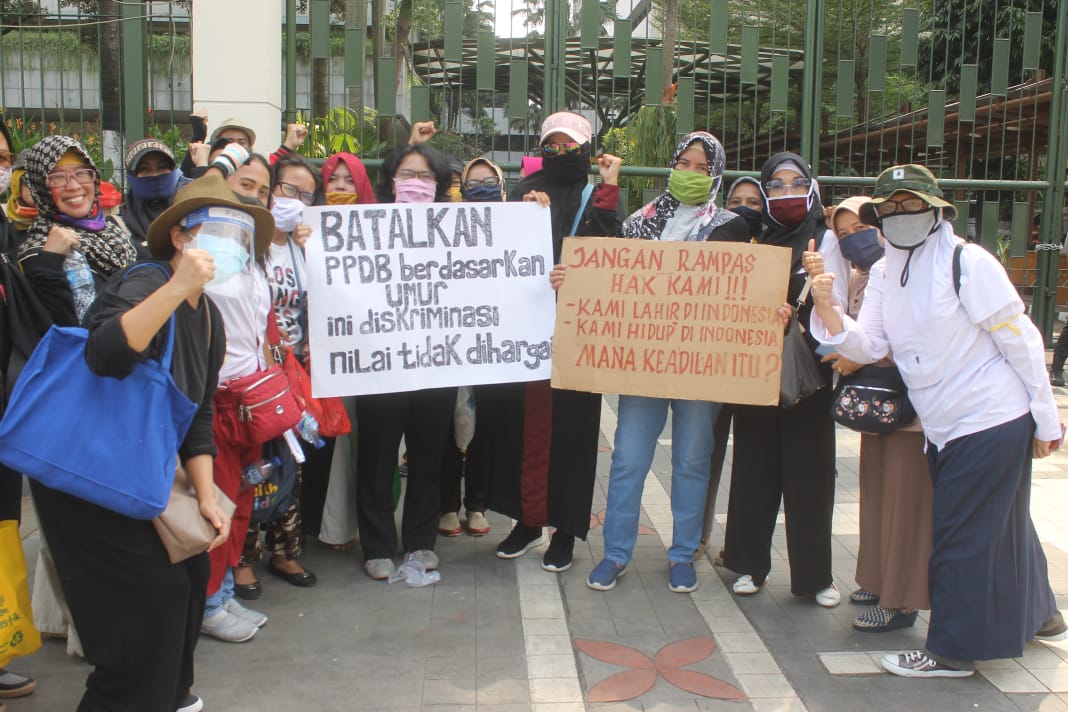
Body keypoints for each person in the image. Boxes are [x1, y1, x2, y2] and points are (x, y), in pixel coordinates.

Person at [810, 163, 1066, 677]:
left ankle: (950, 651)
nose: (902, 216)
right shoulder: (884, 272)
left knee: (959, 535)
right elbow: (872, 344)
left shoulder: (966, 262)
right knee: (1000, 525)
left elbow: (1020, 337)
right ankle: (1042, 616)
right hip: (945, 425)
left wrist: (1047, 421)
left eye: (913, 205)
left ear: (937, 209)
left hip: (990, 417)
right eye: (892, 208)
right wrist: (829, 308)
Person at [28, 174, 242, 712]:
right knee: (142, 620)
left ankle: (172, 698)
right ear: (181, 238)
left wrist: (207, 497)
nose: (232, 247)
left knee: (190, 578)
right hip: (87, 476)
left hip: (139, 472)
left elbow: (197, 411)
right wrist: (176, 288)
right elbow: (104, 353)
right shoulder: (146, 283)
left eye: (241, 236)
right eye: (219, 232)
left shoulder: (210, 319)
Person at [572, 132, 753, 593]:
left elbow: (738, 296)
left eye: (700, 167)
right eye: (683, 164)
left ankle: (682, 554)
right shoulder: (640, 222)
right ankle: (615, 554)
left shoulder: (730, 226)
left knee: (693, 460)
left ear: (715, 173)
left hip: (700, 365)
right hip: (644, 364)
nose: (689, 174)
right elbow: (608, 269)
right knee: (629, 459)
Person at [487, 111, 623, 573]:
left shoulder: (597, 194)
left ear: (586, 148)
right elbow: (503, 255)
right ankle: (527, 521)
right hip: (526, 333)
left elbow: (609, 257)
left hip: (577, 335)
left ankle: (565, 530)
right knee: (522, 429)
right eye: (552, 145)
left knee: (574, 433)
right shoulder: (528, 192)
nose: (561, 153)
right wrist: (526, 210)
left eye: (570, 145)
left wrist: (608, 187)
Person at [804, 195, 933, 632]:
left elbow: (913, 335)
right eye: (843, 236)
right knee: (877, 493)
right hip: (877, 407)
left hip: (913, 410)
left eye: (861, 228)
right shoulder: (870, 276)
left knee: (905, 502)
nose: (853, 240)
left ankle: (902, 601)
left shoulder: (924, 270)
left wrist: (857, 357)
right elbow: (859, 333)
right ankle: (877, 580)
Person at [721, 152, 842, 607]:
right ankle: (750, 565)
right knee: (754, 469)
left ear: (812, 188)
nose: (785, 193)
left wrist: (802, 313)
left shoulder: (827, 240)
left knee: (809, 475)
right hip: (755, 371)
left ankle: (816, 577)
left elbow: (845, 304)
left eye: (795, 183)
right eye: (776, 185)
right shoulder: (754, 239)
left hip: (807, 374)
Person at [357, 142, 457, 581]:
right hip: (382, 363)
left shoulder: (459, 228)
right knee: (377, 454)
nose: (415, 184)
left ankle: (420, 542)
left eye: (425, 177)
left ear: (439, 186)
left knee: (428, 454)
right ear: (391, 180)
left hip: (437, 363)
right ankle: (377, 544)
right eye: (407, 174)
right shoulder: (364, 227)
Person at [198, 169, 278, 644]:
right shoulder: (196, 267)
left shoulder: (251, 262)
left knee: (242, 501)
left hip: (252, 400)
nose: (256, 197)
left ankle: (222, 591)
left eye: (262, 192)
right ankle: (208, 602)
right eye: (246, 187)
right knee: (217, 504)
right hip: (214, 401)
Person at [437, 157, 509, 540]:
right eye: (472, 181)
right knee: (448, 428)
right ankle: (447, 505)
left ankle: (477, 505)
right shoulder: (444, 228)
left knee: (487, 430)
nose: (479, 186)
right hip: (449, 343)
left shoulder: (518, 227)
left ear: (502, 187)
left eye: (488, 180)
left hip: (495, 345)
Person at [698, 175, 766, 562]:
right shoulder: (713, 241)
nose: (745, 208)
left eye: (754, 202)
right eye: (737, 200)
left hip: (757, 370)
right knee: (705, 455)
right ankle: (697, 537)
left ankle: (740, 548)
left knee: (751, 463)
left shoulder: (778, 246)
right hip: (716, 365)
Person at [19, 135, 139, 326]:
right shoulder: (38, 252)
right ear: (41, 187)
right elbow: (65, 325)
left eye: (82, 173)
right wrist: (50, 262)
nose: (74, 186)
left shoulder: (114, 233)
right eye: (57, 177)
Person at [120, 138, 181, 252]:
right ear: (132, 176)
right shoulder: (117, 224)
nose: (154, 174)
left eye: (162, 167)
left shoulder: (189, 214)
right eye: (144, 169)